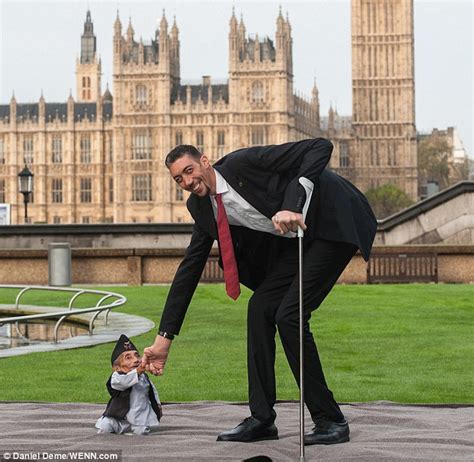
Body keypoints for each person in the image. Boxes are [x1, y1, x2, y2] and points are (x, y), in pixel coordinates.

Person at [142, 137, 377, 445]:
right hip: (297, 243)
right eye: (178, 179)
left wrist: (293, 205)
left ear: (205, 161)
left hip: (332, 221)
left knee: (290, 316)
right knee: (259, 309)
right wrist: (164, 339)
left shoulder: (243, 164)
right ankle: (262, 419)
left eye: (189, 170)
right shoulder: (200, 207)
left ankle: (330, 420)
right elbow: (189, 270)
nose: (187, 181)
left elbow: (320, 147)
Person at [96, 334, 162, 435]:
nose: (136, 360)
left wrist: (157, 405)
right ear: (117, 367)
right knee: (105, 426)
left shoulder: (143, 377)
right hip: (119, 416)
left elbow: (152, 390)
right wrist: (138, 371)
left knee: (141, 431)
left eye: (137, 355)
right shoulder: (116, 377)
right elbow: (123, 382)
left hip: (139, 416)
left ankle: (133, 432)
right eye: (128, 358)